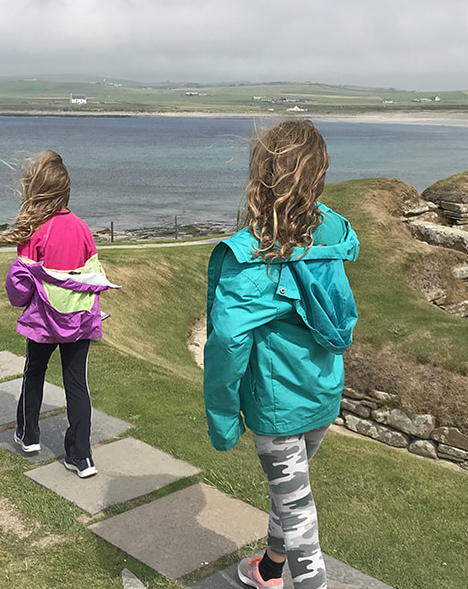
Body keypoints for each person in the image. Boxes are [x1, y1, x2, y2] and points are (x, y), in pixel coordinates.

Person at [203, 120, 359, 589]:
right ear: (318, 174)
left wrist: (224, 418)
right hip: (322, 393)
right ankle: (270, 569)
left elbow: (228, 344)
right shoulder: (331, 232)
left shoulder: (254, 252)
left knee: (296, 508)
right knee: (289, 493)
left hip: (278, 405)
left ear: (261, 173)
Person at [1, 150, 118, 478]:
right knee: (77, 382)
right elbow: (93, 274)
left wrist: (22, 299)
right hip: (78, 319)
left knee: (34, 372)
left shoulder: (35, 231)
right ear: (65, 191)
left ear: (35, 191)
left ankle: (28, 436)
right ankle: (82, 457)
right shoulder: (82, 228)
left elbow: (20, 284)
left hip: (43, 319)